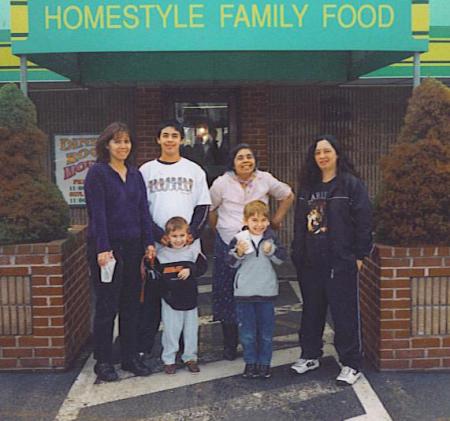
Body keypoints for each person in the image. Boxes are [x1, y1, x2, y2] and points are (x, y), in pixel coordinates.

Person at [290, 134, 373, 386]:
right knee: (312, 312)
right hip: (311, 262)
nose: (322, 156)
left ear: (337, 154)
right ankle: (310, 355)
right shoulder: (308, 187)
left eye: (327, 151)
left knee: (344, 313)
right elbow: (299, 225)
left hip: (340, 261)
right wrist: (298, 254)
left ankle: (351, 363)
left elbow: (364, 221)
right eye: (318, 153)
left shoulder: (350, 185)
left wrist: (360, 255)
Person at [84, 122, 155, 382]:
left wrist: (149, 242)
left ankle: (129, 357)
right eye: (117, 141)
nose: (123, 146)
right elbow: (97, 214)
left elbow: (142, 211)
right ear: (107, 145)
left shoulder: (135, 174)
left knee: (131, 305)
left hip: (134, 247)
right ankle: (103, 361)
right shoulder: (97, 174)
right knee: (106, 306)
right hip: (108, 250)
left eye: (126, 141)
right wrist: (103, 248)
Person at [209, 143, 294, 360]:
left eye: (249, 156)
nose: (246, 161)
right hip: (230, 244)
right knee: (227, 293)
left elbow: (287, 195)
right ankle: (229, 344)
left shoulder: (265, 179)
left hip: (257, 248)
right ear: (233, 162)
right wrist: (220, 229)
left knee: (255, 294)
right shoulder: (221, 183)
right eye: (240, 158)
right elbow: (209, 209)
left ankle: (256, 342)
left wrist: (276, 220)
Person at [138, 120, 211, 359]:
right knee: (151, 303)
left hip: (185, 251)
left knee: (184, 300)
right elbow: (140, 210)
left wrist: (193, 235)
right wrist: (159, 235)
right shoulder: (146, 171)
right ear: (158, 139)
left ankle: (184, 351)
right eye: (165, 135)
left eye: (174, 135)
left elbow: (203, 206)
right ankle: (144, 349)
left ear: (181, 140)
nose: (170, 140)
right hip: (156, 248)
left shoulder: (194, 170)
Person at [228, 200, 287, 379]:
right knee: (247, 333)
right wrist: (238, 253)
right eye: (254, 220)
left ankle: (264, 364)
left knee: (266, 333)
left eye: (263, 220)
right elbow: (229, 263)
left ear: (268, 221)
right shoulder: (238, 239)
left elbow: (282, 260)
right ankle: (250, 362)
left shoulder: (271, 238)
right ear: (245, 221)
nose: (259, 224)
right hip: (244, 293)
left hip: (266, 293)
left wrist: (271, 251)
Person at [157, 217, 207, 375]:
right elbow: (156, 277)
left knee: (191, 329)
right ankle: (169, 359)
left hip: (189, 297)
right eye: (174, 236)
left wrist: (190, 270)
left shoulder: (192, 252)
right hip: (170, 299)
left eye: (181, 236)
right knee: (171, 330)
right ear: (167, 237)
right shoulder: (161, 254)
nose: (178, 240)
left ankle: (190, 357)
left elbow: (202, 267)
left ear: (188, 236)